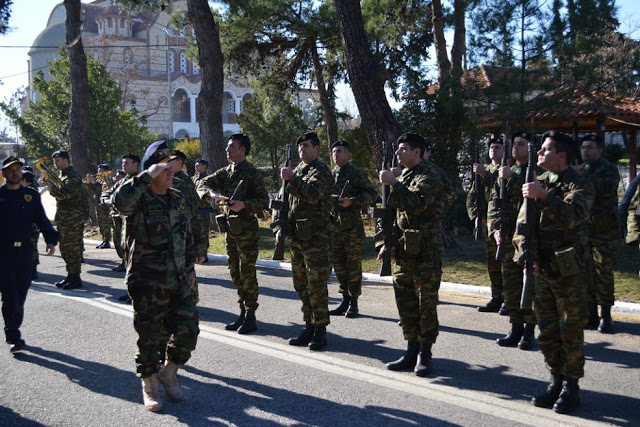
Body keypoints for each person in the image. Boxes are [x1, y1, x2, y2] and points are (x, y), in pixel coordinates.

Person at [112, 144, 203, 412]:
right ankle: (149, 384)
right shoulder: (138, 197)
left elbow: (184, 237)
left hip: (178, 278)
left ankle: (170, 372)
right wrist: (146, 176)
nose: (172, 172)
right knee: (150, 337)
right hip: (147, 281)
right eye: (166, 167)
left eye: (173, 166)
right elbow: (119, 203)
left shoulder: (177, 198)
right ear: (153, 169)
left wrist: (190, 270)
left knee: (189, 330)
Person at [514, 131, 594, 414]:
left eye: (545, 150)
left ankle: (572, 387)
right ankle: (555, 380)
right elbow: (522, 226)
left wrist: (545, 196)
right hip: (542, 270)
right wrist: (525, 255)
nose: (539, 154)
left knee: (569, 330)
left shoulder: (580, 182)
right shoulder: (537, 183)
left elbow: (575, 214)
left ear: (562, 156)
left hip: (569, 272)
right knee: (547, 330)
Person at [378, 133, 445, 377]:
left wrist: (394, 184)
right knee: (405, 301)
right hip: (404, 251)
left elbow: (416, 203)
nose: (398, 153)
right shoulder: (404, 175)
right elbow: (395, 216)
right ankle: (411, 349)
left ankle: (425, 353)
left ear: (417, 152)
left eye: (403, 149)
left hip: (426, 251)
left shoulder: (429, 174)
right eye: (397, 149)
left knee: (425, 304)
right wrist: (387, 242)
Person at [196, 134, 269, 334]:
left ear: (242, 150)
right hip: (230, 231)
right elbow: (202, 184)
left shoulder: (251, 173)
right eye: (227, 146)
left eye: (231, 147)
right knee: (235, 273)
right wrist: (212, 194)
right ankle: (242, 312)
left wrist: (244, 204)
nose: (227, 150)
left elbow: (263, 200)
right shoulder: (227, 172)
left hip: (246, 232)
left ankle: (251, 315)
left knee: (247, 273)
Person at [277, 131, 333, 351]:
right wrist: (280, 227)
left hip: (316, 238)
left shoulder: (322, 171)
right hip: (298, 237)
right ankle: (308, 324)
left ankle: (320, 330)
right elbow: (285, 203)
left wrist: (292, 179)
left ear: (317, 149)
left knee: (316, 285)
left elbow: (312, 194)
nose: (302, 149)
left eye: (307, 146)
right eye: (300, 146)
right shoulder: (298, 170)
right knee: (301, 284)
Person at [0, 156, 58, 353]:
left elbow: (42, 219)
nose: (15, 173)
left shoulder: (31, 196)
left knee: (21, 294)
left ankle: (14, 327)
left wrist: (51, 239)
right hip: (4, 253)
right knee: (10, 296)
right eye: (10, 170)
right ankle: (13, 335)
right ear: (4, 174)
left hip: (25, 252)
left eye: (17, 169)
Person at [493, 131, 540, 350]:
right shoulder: (505, 172)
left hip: (526, 235)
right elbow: (495, 203)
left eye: (521, 144)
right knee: (510, 285)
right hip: (507, 234)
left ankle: (529, 331)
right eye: (514, 144)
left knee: (528, 285)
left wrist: (510, 176)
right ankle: (515, 327)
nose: (515, 147)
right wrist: (495, 229)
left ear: (530, 148)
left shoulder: (535, 172)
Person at [328, 140, 377, 318]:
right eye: (334, 152)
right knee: (339, 265)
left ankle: (354, 303)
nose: (336, 155)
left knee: (352, 265)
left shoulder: (356, 173)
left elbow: (372, 194)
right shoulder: (331, 174)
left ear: (348, 154)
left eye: (340, 151)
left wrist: (352, 201)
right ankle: (345, 300)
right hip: (335, 227)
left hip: (352, 228)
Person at [578, 134, 620, 333]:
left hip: (604, 232)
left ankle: (606, 315)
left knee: (603, 273)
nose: (586, 150)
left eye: (590, 147)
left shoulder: (608, 169)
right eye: (584, 147)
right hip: (583, 230)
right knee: (585, 274)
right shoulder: (582, 170)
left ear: (600, 150)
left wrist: (579, 176)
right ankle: (590, 314)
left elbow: (599, 188)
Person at [467, 138, 506, 314]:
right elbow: (472, 196)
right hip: (489, 222)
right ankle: (496, 297)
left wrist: (486, 175)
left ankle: (508, 299)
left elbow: (502, 189)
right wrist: (476, 215)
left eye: (497, 147)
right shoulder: (485, 170)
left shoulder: (506, 170)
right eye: (491, 147)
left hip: (503, 221)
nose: (493, 149)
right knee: (492, 264)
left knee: (506, 263)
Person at [48, 150, 89, 290]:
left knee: (72, 248)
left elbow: (67, 194)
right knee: (65, 247)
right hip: (65, 218)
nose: (55, 163)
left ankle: (75, 277)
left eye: (58, 160)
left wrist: (51, 189)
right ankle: (70, 275)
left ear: (66, 160)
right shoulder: (63, 175)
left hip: (73, 218)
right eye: (54, 161)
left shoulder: (73, 176)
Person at [101, 153, 140, 276]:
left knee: (135, 254)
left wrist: (113, 200)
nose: (123, 166)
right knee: (121, 246)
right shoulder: (122, 181)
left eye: (126, 163)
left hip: (134, 222)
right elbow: (107, 193)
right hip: (120, 220)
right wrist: (106, 200)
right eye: (123, 163)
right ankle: (124, 264)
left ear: (136, 165)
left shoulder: (139, 181)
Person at [21, 169, 41, 280]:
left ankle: (32, 270)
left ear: (24, 180)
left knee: (30, 247)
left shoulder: (29, 193)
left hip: (30, 224)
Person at [86, 164, 113, 249]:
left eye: (100, 171)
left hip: (105, 205)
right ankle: (104, 240)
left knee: (106, 223)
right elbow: (92, 189)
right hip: (98, 204)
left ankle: (107, 241)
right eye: (98, 171)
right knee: (100, 223)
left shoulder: (107, 180)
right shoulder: (98, 180)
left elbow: (105, 189)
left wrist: (94, 182)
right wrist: (89, 182)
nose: (98, 173)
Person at [192, 158, 212, 260]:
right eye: (195, 164)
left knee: (203, 232)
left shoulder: (208, 179)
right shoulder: (193, 178)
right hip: (194, 210)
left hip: (203, 209)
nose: (196, 165)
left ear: (204, 166)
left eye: (198, 164)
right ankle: (197, 254)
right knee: (195, 232)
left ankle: (204, 254)